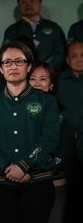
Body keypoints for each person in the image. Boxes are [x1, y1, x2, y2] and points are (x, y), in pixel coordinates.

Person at [0, 40, 60, 223]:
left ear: (28, 66)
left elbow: (49, 139)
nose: (13, 66)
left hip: (38, 182)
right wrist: (8, 167)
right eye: (7, 62)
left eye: (19, 61)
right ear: (0, 68)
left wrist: (24, 165)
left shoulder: (47, 101)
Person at [28, 62, 76, 223]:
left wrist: (33, 167)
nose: (37, 83)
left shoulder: (64, 116)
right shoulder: (16, 114)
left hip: (54, 183)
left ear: (51, 85)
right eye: (32, 78)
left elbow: (65, 152)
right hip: (25, 185)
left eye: (43, 79)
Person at [3, 0, 66, 72]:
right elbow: (7, 55)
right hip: (22, 77)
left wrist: (44, 68)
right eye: (24, 2)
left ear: (40, 3)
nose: (28, 4)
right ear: (19, 6)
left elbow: (60, 53)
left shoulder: (54, 28)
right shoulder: (12, 30)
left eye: (32, 1)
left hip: (50, 75)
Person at [57, 41, 83, 223]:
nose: (79, 59)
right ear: (67, 60)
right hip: (68, 149)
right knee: (70, 200)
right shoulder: (58, 82)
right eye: (74, 56)